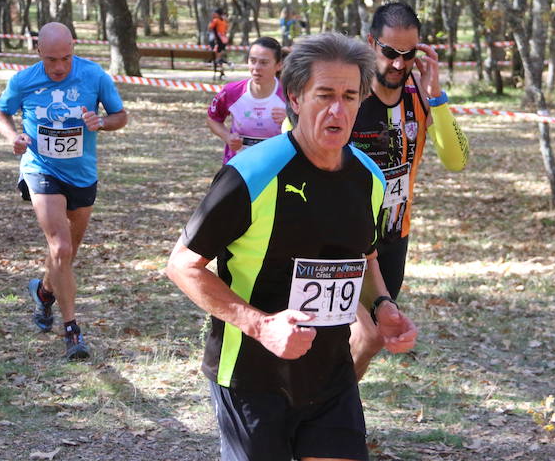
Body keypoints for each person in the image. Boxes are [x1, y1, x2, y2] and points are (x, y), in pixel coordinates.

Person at [167, 32, 417, 461]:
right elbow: (182, 266)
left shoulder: (369, 178)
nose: (338, 109)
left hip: (332, 375)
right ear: (296, 99)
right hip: (251, 376)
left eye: (350, 96)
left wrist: (382, 307)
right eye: (324, 95)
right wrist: (262, 326)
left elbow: (365, 255)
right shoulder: (253, 173)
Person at [348, 2, 469, 379]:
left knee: (371, 339)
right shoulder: (348, 92)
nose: (399, 64)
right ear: (371, 44)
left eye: (409, 54)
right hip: (342, 237)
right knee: (357, 336)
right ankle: (326, 419)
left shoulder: (419, 96)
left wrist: (437, 96)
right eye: (390, 53)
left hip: (392, 238)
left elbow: (457, 159)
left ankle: (330, 416)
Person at [0, 22, 128, 360]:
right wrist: (14, 138)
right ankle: (72, 330)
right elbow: (0, 112)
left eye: (66, 58)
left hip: (81, 175)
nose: (59, 67)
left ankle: (43, 292)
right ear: (38, 51)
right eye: (51, 59)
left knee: (66, 255)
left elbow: (120, 115)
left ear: (74, 48)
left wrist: (103, 122)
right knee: (60, 245)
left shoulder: (94, 76)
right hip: (41, 169)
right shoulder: (23, 80)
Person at [206, 36, 286, 164]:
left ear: (278, 65)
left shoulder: (291, 95)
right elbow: (212, 119)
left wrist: (291, 121)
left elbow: (308, 128)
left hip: (276, 167)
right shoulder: (231, 91)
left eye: (264, 63)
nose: (256, 67)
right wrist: (228, 137)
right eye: (252, 61)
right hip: (238, 166)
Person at [208, 7, 230, 78]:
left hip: (217, 41)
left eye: (215, 13)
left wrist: (211, 22)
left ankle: (221, 69)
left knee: (217, 57)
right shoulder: (224, 21)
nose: (213, 14)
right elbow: (226, 30)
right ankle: (222, 71)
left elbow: (210, 28)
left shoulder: (216, 21)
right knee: (219, 56)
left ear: (218, 14)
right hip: (223, 41)